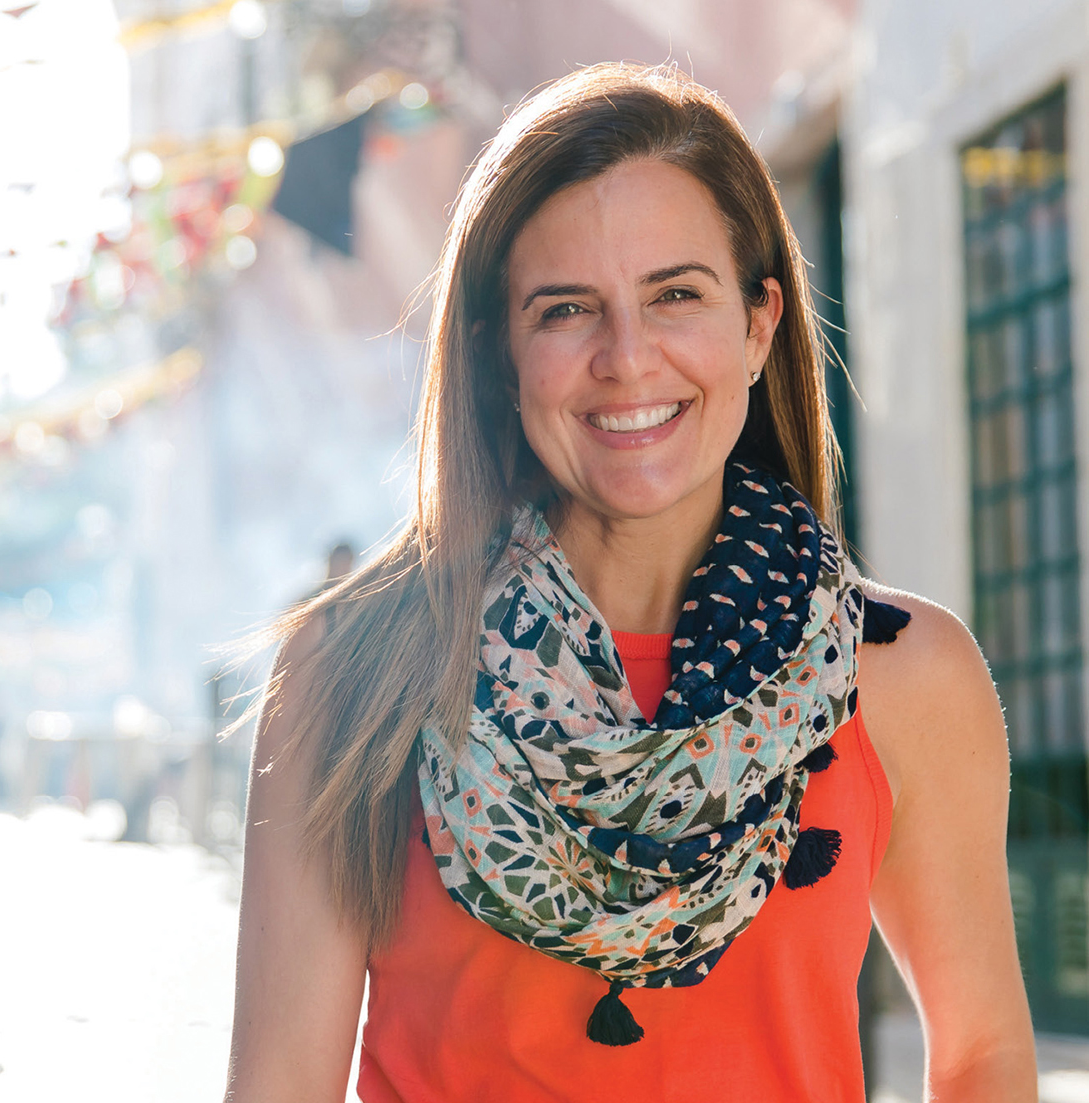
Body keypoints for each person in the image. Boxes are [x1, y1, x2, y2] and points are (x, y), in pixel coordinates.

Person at [225, 63, 1037, 1102]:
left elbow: (981, 1055)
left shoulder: (903, 674)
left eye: (675, 295)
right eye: (566, 309)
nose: (627, 357)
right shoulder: (352, 671)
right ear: (499, 353)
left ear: (758, 324)